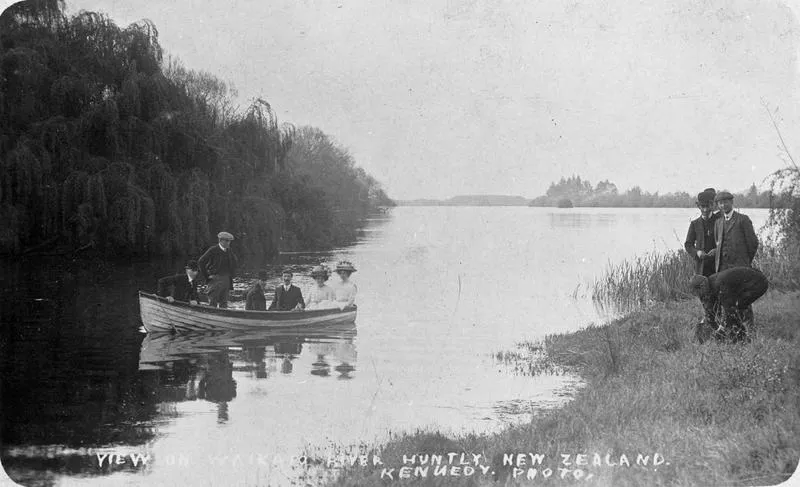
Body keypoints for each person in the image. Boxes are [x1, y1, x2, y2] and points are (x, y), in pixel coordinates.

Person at [689, 267, 769, 343]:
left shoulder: (720, 284)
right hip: (747, 282)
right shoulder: (710, 284)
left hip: (758, 283)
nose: (700, 296)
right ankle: (739, 338)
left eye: (698, 293)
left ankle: (741, 340)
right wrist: (708, 323)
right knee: (732, 312)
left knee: (734, 311)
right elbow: (711, 310)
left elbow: (729, 309)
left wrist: (721, 328)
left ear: (702, 286)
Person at [713, 191, 759, 272]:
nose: (723, 205)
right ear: (718, 205)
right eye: (720, 203)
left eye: (726, 202)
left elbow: (753, 243)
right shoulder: (718, 222)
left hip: (740, 267)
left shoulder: (743, 219)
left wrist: (745, 261)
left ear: (731, 202)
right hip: (722, 269)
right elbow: (718, 244)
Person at [684, 189, 720, 277]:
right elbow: (688, 245)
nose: (705, 209)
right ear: (698, 206)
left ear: (712, 205)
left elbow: (727, 242)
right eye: (702, 207)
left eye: (707, 206)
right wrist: (697, 252)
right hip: (701, 267)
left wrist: (717, 250)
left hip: (718, 266)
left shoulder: (720, 221)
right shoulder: (694, 224)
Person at [198, 231, 238, 308]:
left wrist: (231, 275)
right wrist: (206, 277)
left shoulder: (229, 251)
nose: (228, 243)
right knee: (212, 303)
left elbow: (235, 262)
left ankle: (222, 319)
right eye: (226, 241)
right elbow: (201, 261)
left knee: (224, 303)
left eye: (229, 241)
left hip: (226, 280)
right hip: (215, 279)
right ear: (220, 240)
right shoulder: (213, 250)